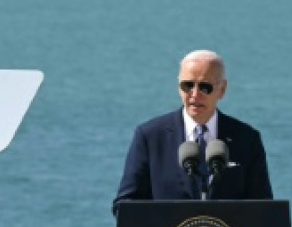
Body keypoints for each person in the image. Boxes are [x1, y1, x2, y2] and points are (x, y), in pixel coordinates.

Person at [113, 50, 273, 213]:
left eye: (205, 87)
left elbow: (263, 208)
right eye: (187, 85)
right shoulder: (150, 137)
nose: (195, 95)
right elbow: (125, 205)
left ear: (222, 89)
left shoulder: (246, 139)